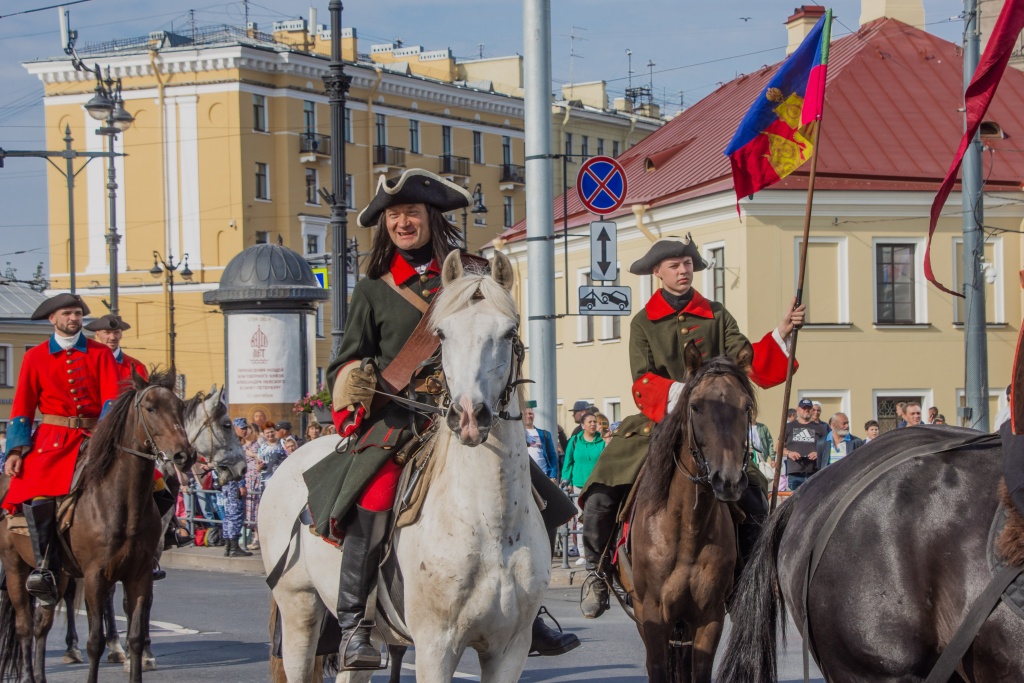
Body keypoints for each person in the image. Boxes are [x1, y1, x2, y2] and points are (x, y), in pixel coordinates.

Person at [301, 168, 579, 669]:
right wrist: (355, 378)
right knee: (372, 494)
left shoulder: (474, 277)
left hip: (475, 415)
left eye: (411, 213)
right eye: (393, 216)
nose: (402, 223)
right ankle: (353, 626)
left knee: (547, 501)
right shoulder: (374, 291)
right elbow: (343, 358)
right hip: (404, 418)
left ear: (431, 218)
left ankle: (527, 613)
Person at [578, 235, 804, 619]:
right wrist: (684, 393)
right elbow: (641, 380)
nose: (684, 271)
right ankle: (598, 572)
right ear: (657, 272)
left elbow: (745, 361)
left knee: (750, 494)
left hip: (715, 423)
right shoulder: (642, 323)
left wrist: (781, 334)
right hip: (658, 421)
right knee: (601, 493)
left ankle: (751, 578)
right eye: (675, 266)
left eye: (688, 264)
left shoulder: (716, 315)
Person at [3, 293, 120, 604]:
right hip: (53, 440)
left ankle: (154, 550)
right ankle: (44, 568)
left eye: (78, 313)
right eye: (68, 313)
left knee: (155, 480)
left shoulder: (100, 353)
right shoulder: (35, 357)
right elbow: (23, 407)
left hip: (97, 434)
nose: (74, 318)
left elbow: (112, 399)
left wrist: (105, 435)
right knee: (35, 492)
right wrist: (15, 450)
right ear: (52, 319)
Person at [562, 413, 606, 561]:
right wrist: (566, 481)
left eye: (595, 422)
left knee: (597, 518)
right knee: (581, 518)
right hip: (579, 485)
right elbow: (567, 462)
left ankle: (597, 551)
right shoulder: (575, 441)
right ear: (583, 425)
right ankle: (583, 552)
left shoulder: (601, 441)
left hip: (597, 484)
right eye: (590, 422)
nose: (593, 424)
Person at [84, 314, 148, 382]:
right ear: (98, 334)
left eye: (116, 332)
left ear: (121, 334)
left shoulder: (136, 368)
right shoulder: (87, 364)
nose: (112, 337)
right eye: (107, 332)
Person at [783, 398, 828, 491]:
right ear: (798, 410)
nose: (807, 410)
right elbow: (778, 448)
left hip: (815, 472)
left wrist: (818, 453)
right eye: (804, 408)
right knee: (795, 503)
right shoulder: (788, 426)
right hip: (795, 473)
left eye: (809, 408)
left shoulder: (821, 428)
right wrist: (789, 453)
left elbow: (828, 447)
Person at [523, 404, 560, 481]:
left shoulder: (545, 434)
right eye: (525, 414)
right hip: (524, 477)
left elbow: (552, 456)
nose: (528, 416)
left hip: (543, 475)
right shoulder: (518, 433)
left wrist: (553, 475)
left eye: (530, 413)